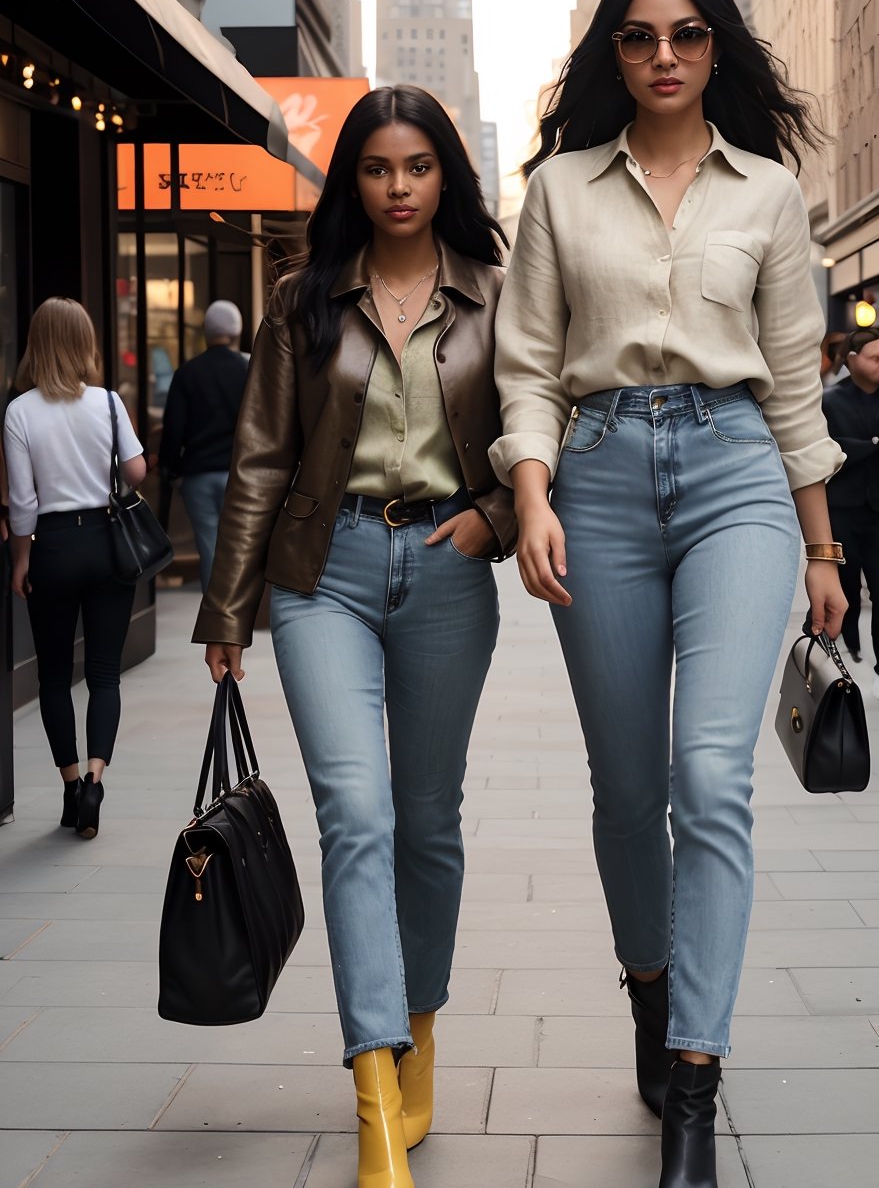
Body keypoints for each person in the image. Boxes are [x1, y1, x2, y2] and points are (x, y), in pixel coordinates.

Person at [489, 0, 846, 1188]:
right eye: (638, 37)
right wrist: (530, 495)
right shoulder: (559, 192)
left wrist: (818, 544)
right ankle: (649, 988)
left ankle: (692, 1079)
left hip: (735, 473)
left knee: (709, 770)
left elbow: (795, 379)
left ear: (714, 48)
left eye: (685, 36)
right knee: (624, 785)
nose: (661, 58)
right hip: (591, 481)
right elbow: (528, 362)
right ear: (611, 52)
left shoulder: (766, 194)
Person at [194, 86, 514, 1188]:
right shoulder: (301, 299)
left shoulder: (494, 294)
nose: (396, 187)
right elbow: (261, 456)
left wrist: (499, 517)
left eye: (416, 166)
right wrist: (227, 606)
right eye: (376, 168)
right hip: (319, 571)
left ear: (445, 176)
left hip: (445, 562)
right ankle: (374, 1075)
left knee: (426, 821)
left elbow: (538, 424)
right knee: (356, 812)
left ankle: (419, 1022)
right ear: (353, 180)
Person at [3, 298, 146, 837]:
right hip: (109, 544)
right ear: (86, 342)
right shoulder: (108, 403)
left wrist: (22, 560)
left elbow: (21, 501)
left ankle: (68, 787)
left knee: (55, 675)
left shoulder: (20, 411)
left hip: (54, 547)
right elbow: (135, 469)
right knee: (104, 672)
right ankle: (95, 779)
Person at [822, 328, 879, 702]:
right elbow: (832, 450)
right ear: (852, 361)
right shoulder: (830, 401)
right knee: (842, 591)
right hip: (842, 511)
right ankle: (836, 662)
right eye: (874, 357)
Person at [158, 300, 249, 591]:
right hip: (239, 474)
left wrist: (169, 468)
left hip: (198, 475)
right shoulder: (249, 370)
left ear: (205, 332)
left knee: (209, 546)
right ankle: (238, 610)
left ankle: (216, 614)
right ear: (237, 330)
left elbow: (173, 429)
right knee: (238, 545)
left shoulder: (187, 374)